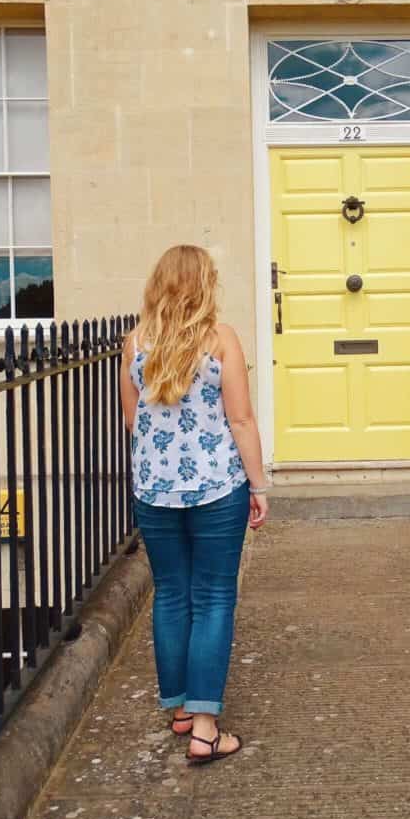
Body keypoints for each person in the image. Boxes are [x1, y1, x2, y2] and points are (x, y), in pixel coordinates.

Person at [120, 244, 269, 765]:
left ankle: (181, 710)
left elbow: (133, 420)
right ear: (205, 285)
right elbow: (241, 420)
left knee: (170, 594)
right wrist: (258, 486)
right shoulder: (220, 340)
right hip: (216, 489)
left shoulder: (135, 342)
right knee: (213, 598)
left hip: (154, 490)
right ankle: (205, 731)